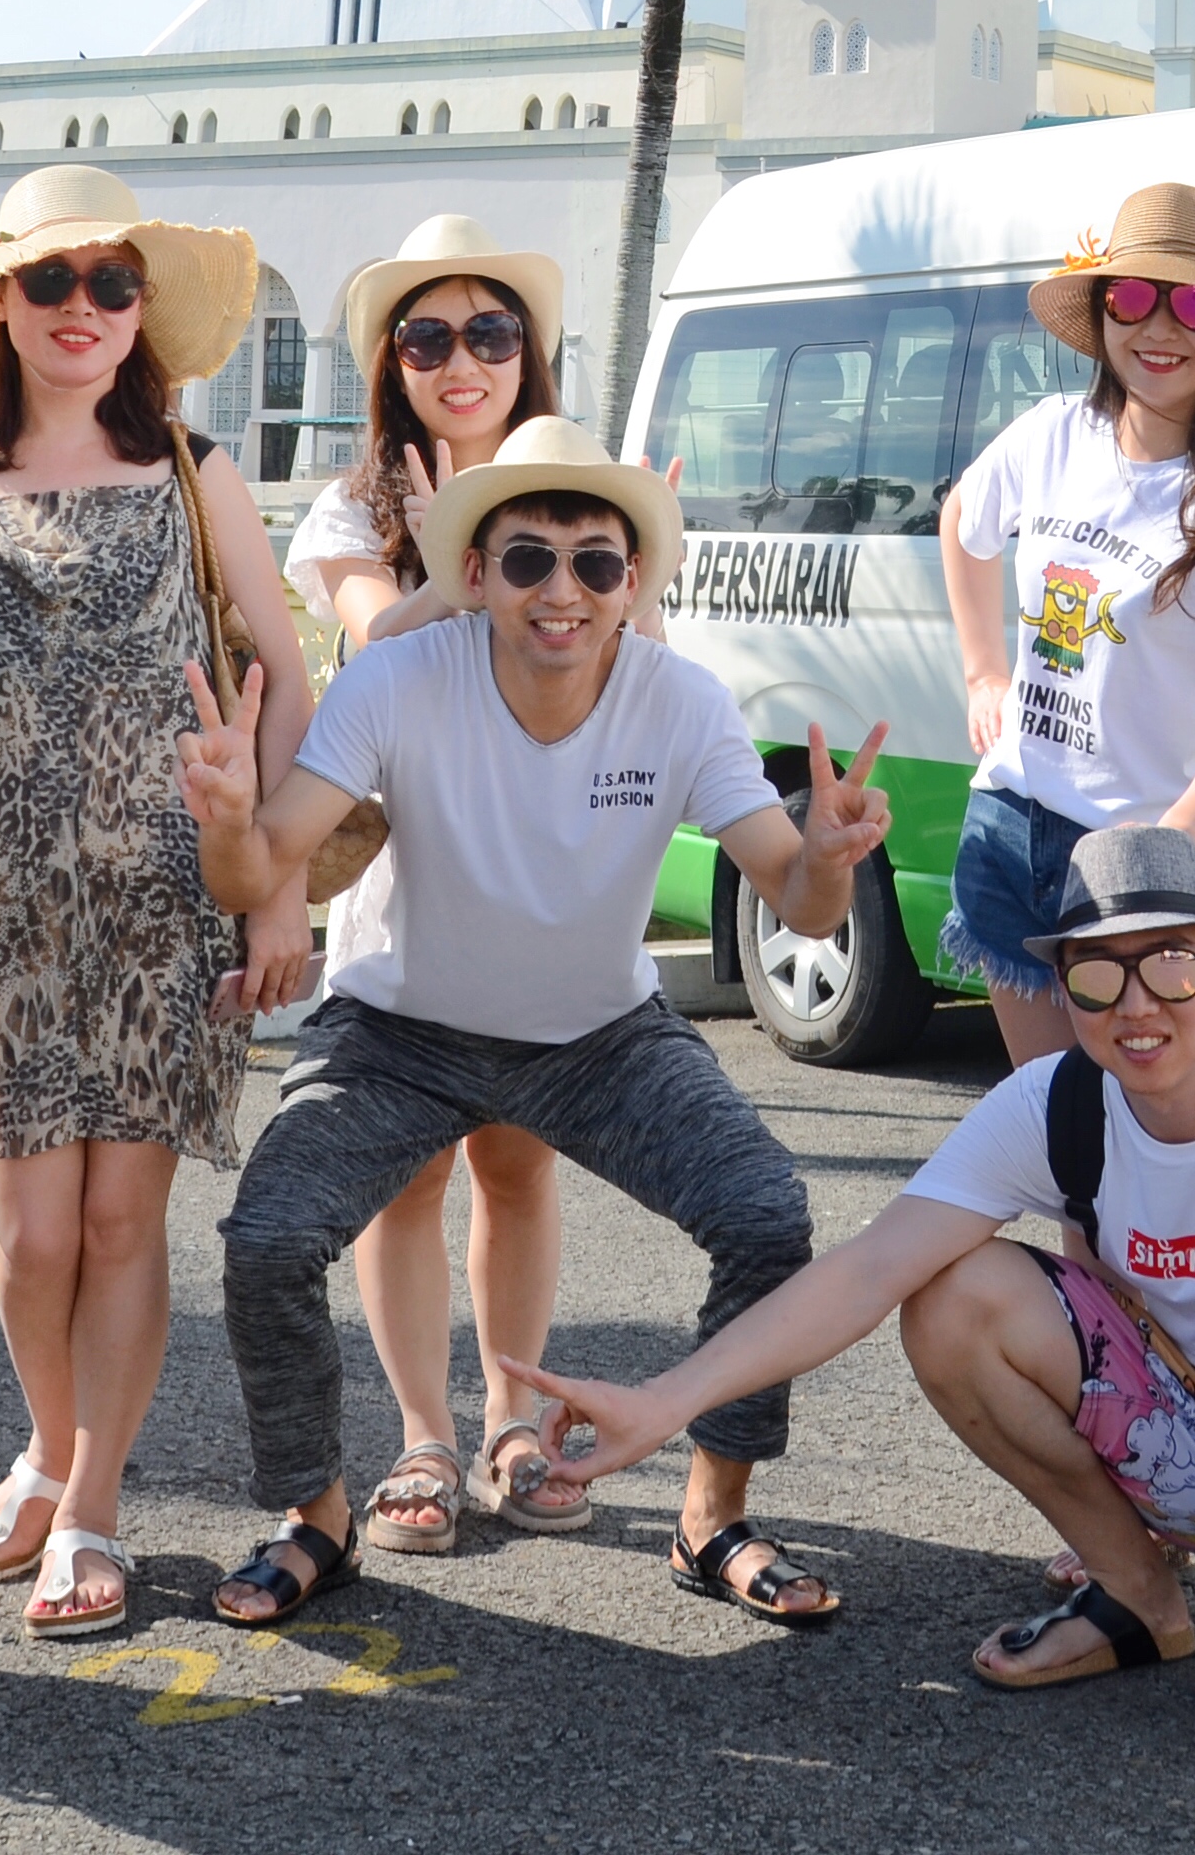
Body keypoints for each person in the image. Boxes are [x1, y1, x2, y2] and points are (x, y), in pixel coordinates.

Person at [498, 825, 1195, 1770]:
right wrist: (665, 1404)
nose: (1135, 1006)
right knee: (951, 1296)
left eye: (1170, 963)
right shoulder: (1054, 1105)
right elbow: (868, 1271)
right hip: (1177, 1453)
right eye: (1097, 975)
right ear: (1066, 990)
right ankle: (1136, 1593)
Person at [178, 413, 895, 1632]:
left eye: (594, 563)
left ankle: (710, 1517)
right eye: (526, 559)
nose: (560, 590)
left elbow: (796, 896)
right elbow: (259, 880)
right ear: (473, 575)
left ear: (632, 584)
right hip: (400, 1030)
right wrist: (230, 818)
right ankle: (316, 1518)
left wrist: (827, 855)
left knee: (765, 1213)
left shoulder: (680, 701)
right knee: (266, 1239)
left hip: (596, 1038)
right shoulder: (400, 677)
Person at [0, 164, 316, 1644]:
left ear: (142, 317)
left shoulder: (196, 471)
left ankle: (92, 1503)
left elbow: (284, 679)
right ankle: (44, 1444)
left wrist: (275, 890)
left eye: (110, 286)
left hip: (165, 897)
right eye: (51, 283)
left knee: (125, 1227)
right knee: (32, 1242)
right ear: (1, 301)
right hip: (8, 901)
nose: (82, 311)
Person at [286, 217, 596, 1553]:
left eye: (490, 332)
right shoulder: (358, 510)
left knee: (516, 1161)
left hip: (545, 865)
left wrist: (620, 547)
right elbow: (370, 652)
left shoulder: (588, 486)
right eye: (429, 336)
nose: (461, 359)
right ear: (391, 365)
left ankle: (513, 1422)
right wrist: (455, 546)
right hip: (405, 874)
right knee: (405, 1173)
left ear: (527, 354)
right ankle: (421, 1434)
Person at [945, 180, 1195, 1068]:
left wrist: (1160, 857)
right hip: (1014, 827)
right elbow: (962, 521)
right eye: (1132, 297)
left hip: (1160, 857)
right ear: (1101, 310)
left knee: (1168, 1152)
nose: (1160, 328)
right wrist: (982, 674)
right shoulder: (1052, 433)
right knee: (1064, 1142)